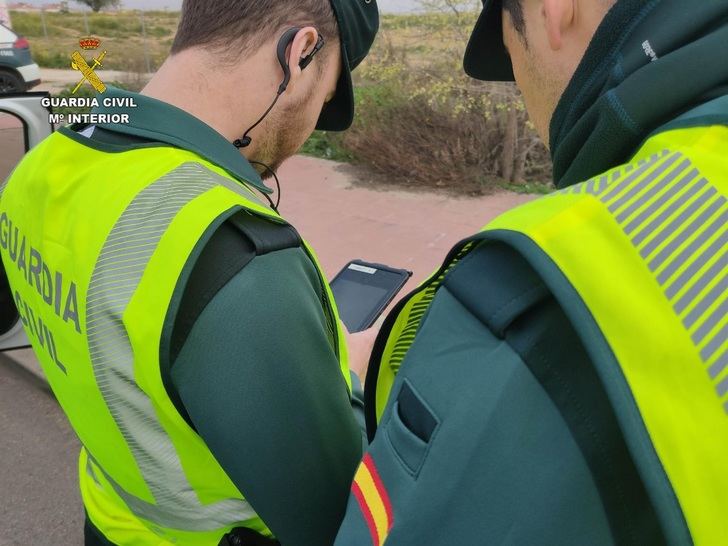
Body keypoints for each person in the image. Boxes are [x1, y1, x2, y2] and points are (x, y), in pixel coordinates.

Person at [335, 0, 728, 544]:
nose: (534, 112)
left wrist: (355, 385)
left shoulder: (532, 297)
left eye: (515, 61)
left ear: (556, 8)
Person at [0, 1, 379, 545]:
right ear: (299, 53)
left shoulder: (43, 164)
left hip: (108, 520)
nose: (312, 121)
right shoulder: (235, 254)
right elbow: (339, 518)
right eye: (323, 96)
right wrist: (351, 377)